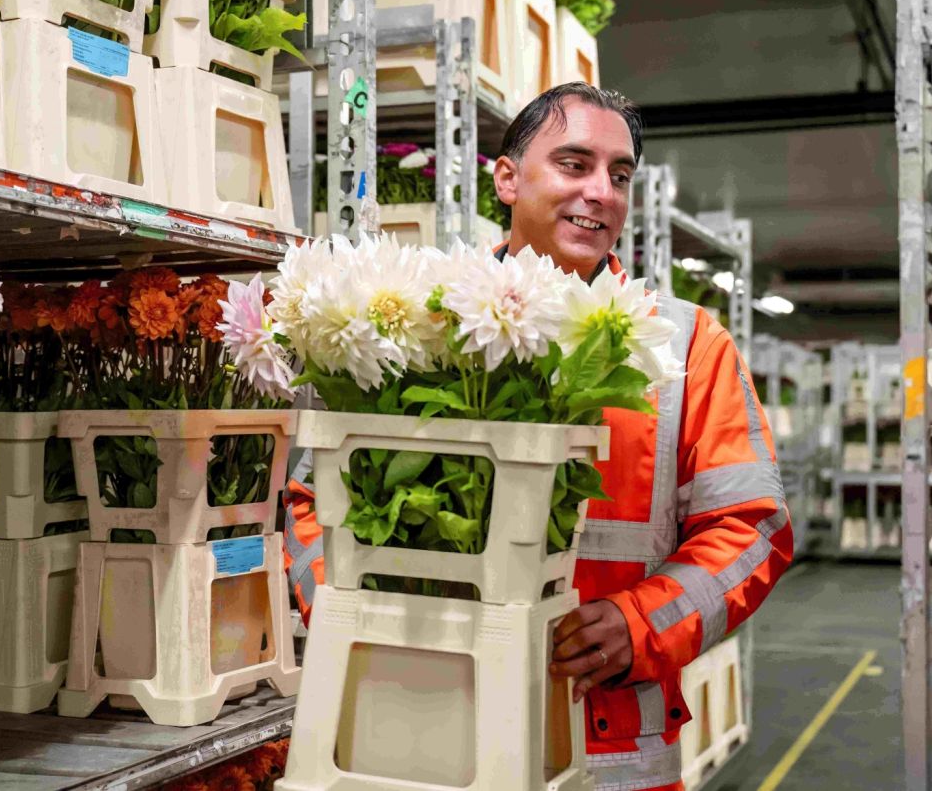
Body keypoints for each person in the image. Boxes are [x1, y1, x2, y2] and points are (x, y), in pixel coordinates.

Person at [282, 82, 792, 791]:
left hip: (608, 748)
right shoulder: (416, 320)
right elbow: (311, 500)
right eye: (575, 164)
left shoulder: (685, 345)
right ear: (507, 177)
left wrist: (639, 624)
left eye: (619, 176)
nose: (601, 192)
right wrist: (355, 614)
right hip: (417, 729)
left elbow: (753, 530)